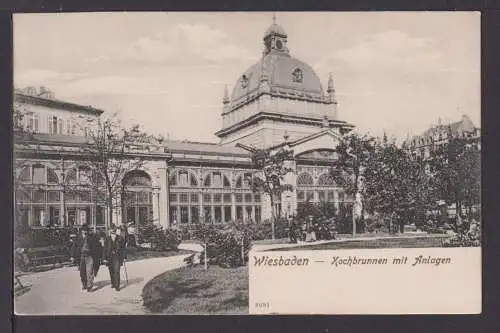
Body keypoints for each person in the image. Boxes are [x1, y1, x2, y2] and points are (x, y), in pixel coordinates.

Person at [70, 224, 101, 292]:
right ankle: (84, 285)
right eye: (83, 231)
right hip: (81, 256)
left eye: (86, 231)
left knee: (89, 272)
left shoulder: (92, 236)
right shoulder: (78, 237)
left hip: (90, 256)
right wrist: (72, 256)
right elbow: (74, 246)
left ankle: (89, 286)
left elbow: (96, 246)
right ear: (81, 231)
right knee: (82, 272)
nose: (85, 232)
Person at [103, 225, 126, 291]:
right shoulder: (107, 238)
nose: (112, 231)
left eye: (114, 229)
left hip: (117, 256)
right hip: (109, 256)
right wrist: (104, 258)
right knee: (111, 271)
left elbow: (123, 248)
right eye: (111, 229)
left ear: (115, 230)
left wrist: (124, 257)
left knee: (116, 271)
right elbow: (105, 249)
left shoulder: (120, 238)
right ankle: (113, 283)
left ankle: (117, 286)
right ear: (109, 230)